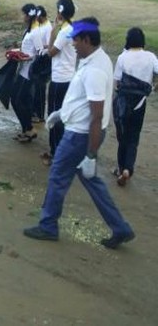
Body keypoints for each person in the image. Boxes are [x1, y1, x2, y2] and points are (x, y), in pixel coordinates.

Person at [24, 18, 136, 250]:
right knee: (92, 182)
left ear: (86, 39)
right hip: (83, 132)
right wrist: (60, 113)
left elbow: (96, 114)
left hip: (81, 135)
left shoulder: (95, 69)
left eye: (76, 40)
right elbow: (84, 103)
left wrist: (91, 154)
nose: (72, 43)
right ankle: (120, 227)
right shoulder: (96, 59)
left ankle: (48, 225)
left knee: (57, 176)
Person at [112, 27, 158, 186]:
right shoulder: (151, 57)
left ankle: (120, 168)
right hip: (140, 104)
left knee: (123, 136)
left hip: (123, 103)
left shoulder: (122, 57)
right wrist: (153, 86)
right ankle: (128, 169)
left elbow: (117, 82)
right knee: (134, 137)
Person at [39, 0, 76, 166]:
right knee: (61, 115)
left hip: (60, 79)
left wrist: (54, 29)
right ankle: (57, 150)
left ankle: (56, 152)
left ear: (60, 12)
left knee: (54, 116)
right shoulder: (72, 29)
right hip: (68, 77)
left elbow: (51, 51)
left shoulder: (64, 31)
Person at [10, 4, 43, 142]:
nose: (22, 17)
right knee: (16, 99)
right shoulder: (29, 31)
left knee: (18, 100)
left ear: (28, 16)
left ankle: (29, 128)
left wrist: (27, 57)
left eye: (24, 14)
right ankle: (25, 128)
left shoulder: (35, 32)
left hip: (28, 72)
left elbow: (40, 51)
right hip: (22, 70)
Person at [31, 5, 52, 123]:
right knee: (35, 86)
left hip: (44, 59)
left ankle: (40, 114)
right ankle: (35, 111)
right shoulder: (40, 25)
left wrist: (38, 44)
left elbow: (49, 44)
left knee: (40, 87)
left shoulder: (48, 27)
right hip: (38, 57)